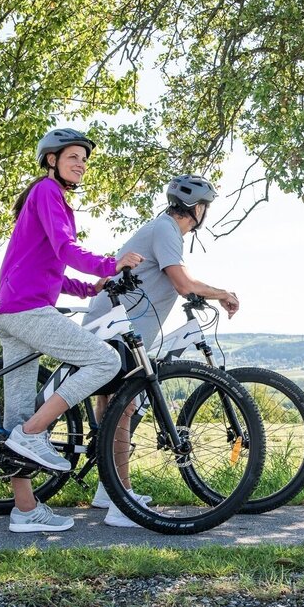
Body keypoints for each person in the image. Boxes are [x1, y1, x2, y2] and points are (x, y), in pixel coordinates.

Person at [0, 127, 143, 534]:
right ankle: (34, 432)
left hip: (14, 309)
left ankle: (24, 511)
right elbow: (65, 249)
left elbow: (48, 268)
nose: (80, 164)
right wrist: (112, 265)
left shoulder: (45, 196)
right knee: (105, 359)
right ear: (51, 160)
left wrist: (88, 286)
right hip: (27, 310)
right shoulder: (47, 192)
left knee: (17, 414)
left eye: (84, 159)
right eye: (73, 156)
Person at [82, 174, 239, 526]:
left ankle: (108, 490)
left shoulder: (161, 229)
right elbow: (183, 283)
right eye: (205, 207)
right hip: (116, 329)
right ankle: (121, 502)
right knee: (123, 408)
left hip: (114, 325)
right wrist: (223, 293)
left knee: (115, 405)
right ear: (197, 209)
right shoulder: (167, 230)